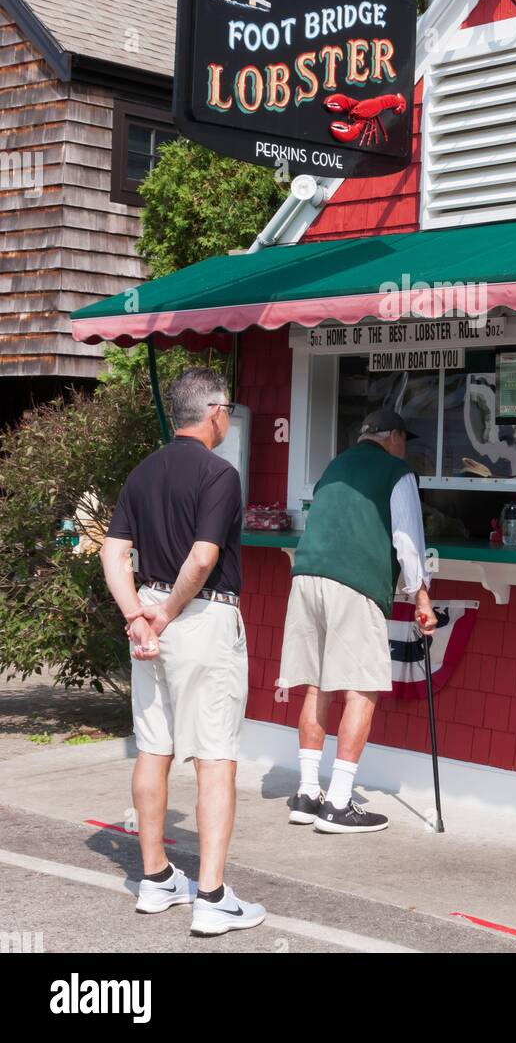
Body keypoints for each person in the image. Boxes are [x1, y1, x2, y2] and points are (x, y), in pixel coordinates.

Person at [100, 367, 265, 937]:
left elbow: (112, 550)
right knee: (215, 754)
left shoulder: (143, 472)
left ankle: (155, 879)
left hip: (149, 612)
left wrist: (137, 618)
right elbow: (201, 557)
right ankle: (213, 896)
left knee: (153, 745)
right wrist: (164, 615)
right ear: (216, 411)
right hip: (198, 617)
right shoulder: (221, 474)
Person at [278, 407, 437, 833]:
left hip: (306, 576)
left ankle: (308, 793)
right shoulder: (396, 471)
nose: (405, 448)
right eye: (405, 439)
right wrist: (420, 594)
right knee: (362, 689)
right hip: (355, 584)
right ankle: (339, 803)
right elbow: (407, 540)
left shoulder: (335, 467)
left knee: (316, 684)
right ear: (393, 437)